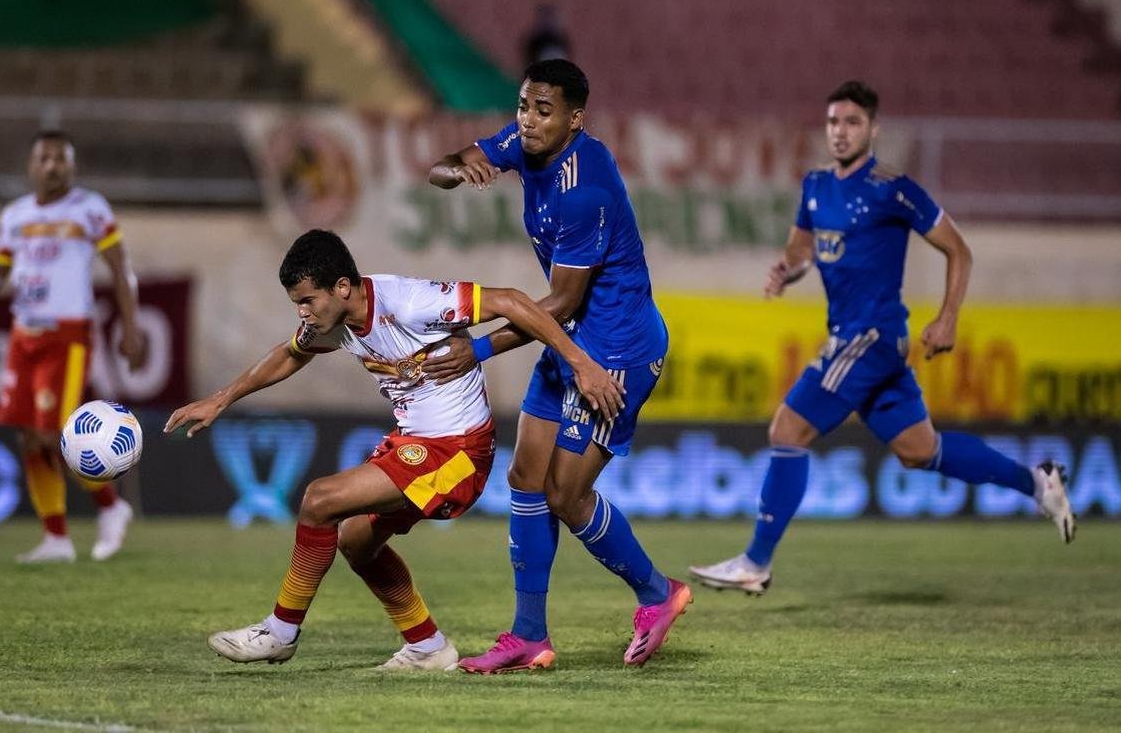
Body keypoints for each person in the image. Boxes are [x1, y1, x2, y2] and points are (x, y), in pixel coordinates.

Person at [165, 229, 623, 671]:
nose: (302, 312)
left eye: (307, 300)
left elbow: (513, 302)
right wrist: (220, 399)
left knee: (319, 500)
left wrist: (579, 363)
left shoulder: (409, 302)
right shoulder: (334, 321)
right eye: (296, 303)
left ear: (342, 287)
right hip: (416, 445)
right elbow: (290, 353)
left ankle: (280, 632)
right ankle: (427, 645)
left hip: (458, 453)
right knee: (356, 541)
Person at [689, 81, 1076, 595]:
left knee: (787, 430)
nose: (841, 132)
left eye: (852, 122)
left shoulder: (894, 188)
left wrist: (948, 317)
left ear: (874, 129)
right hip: (864, 343)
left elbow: (959, 250)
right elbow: (802, 252)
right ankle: (1038, 482)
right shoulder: (815, 187)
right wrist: (788, 271)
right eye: (833, 123)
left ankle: (755, 563)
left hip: (870, 336)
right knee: (920, 450)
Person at [426, 58, 691, 673]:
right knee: (525, 476)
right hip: (570, 340)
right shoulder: (521, 144)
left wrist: (482, 346)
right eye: (523, 106)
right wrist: (457, 170)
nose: (527, 120)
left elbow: (563, 300)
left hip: (615, 351)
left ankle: (659, 594)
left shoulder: (584, 190)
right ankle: (529, 636)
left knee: (566, 495)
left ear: (576, 119)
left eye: (543, 111)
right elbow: (443, 164)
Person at [0, 130, 146, 563]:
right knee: (29, 437)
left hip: (67, 335)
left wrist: (131, 328)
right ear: (31, 166)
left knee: (54, 434)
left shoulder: (89, 208)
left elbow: (121, 270)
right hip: (23, 333)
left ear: (73, 166)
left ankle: (111, 507)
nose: (51, 167)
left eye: (60, 159)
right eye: (43, 159)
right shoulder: (16, 214)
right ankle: (56, 539)